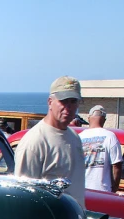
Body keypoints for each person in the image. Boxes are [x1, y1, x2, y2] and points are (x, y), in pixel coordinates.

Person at [14, 76, 86, 208]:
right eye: (63, 101)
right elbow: (23, 195)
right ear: (50, 102)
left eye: (73, 101)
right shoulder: (35, 141)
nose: (68, 107)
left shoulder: (74, 137)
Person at [78, 105, 122, 192]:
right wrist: (115, 186)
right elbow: (117, 165)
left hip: (81, 190)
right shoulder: (110, 136)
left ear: (89, 118)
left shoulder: (79, 137)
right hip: (102, 191)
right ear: (104, 120)